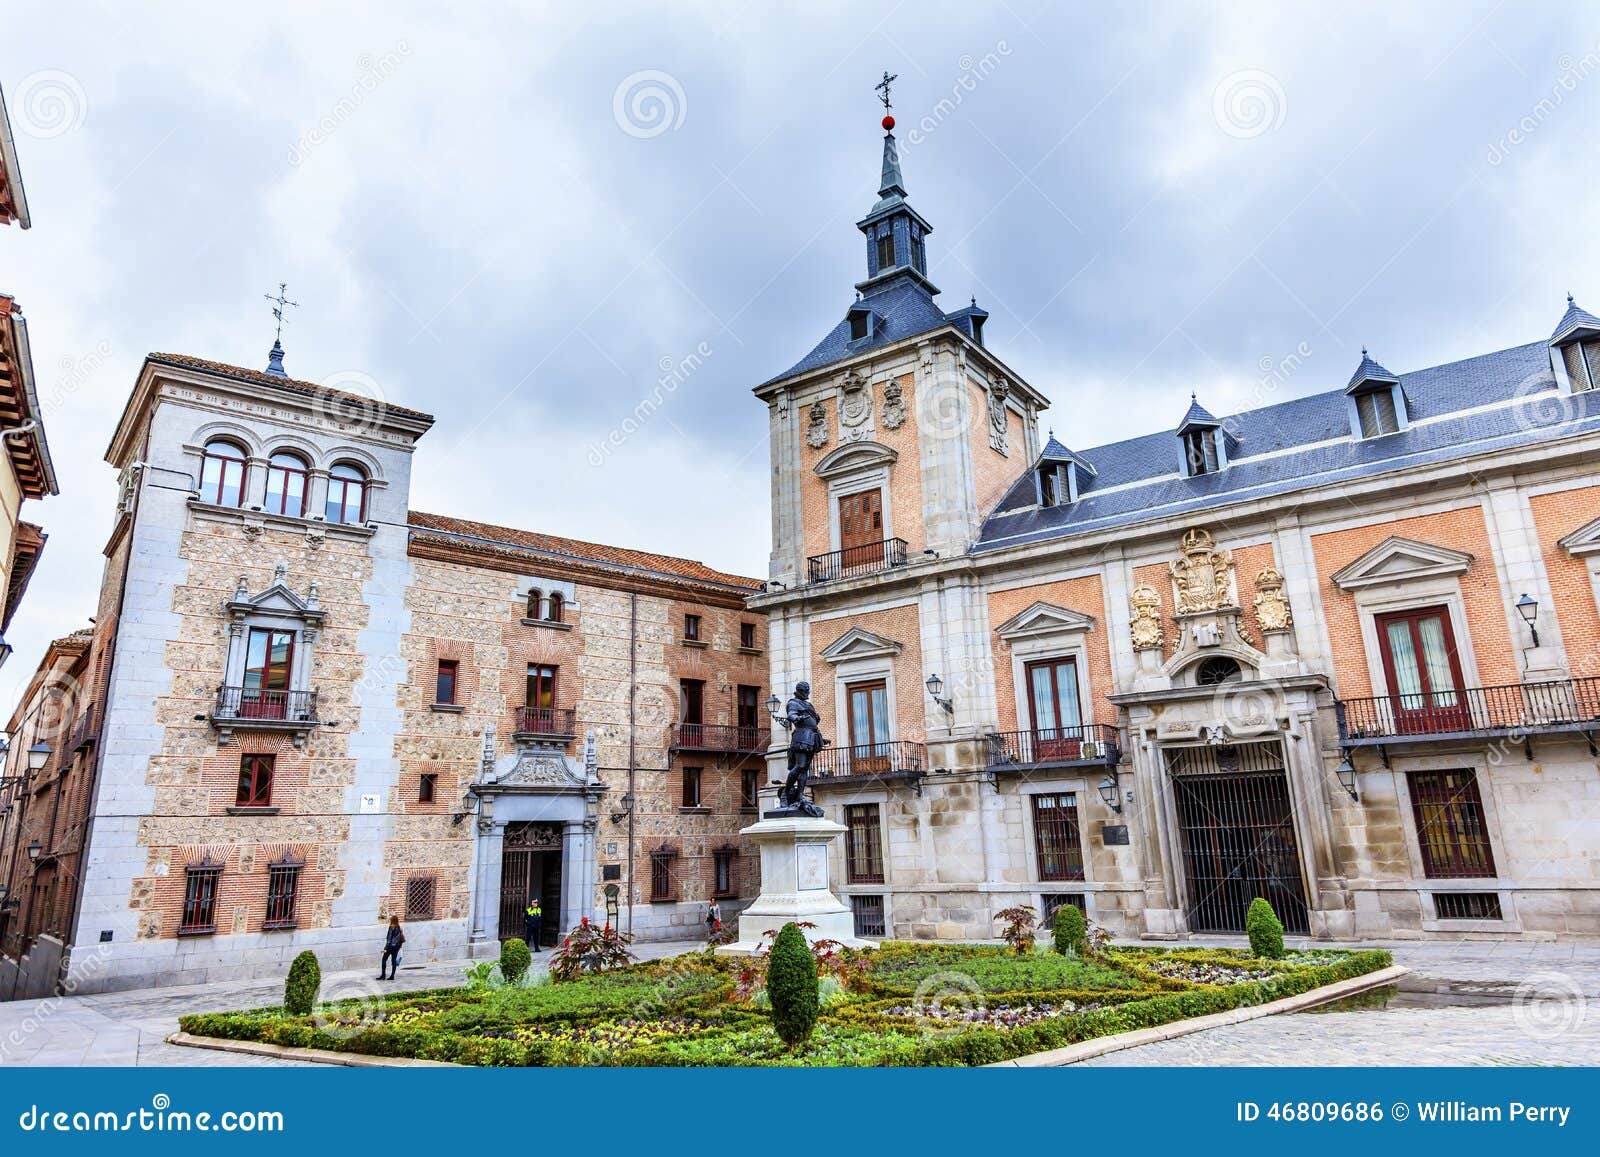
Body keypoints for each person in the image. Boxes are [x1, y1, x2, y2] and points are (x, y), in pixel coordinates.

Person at [378, 915, 404, 980]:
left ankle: (383, 975)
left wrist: (385, 948)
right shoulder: (399, 928)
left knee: (384, 959)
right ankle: (392, 976)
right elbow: (401, 939)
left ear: (392, 920)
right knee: (394, 961)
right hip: (397, 947)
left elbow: (389, 939)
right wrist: (399, 946)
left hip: (390, 946)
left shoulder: (391, 927)